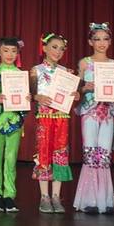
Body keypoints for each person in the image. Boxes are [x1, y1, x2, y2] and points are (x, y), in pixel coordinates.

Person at [73, 22, 114, 214]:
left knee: (104, 154)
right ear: (90, 42)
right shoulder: (85, 63)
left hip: (107, 112)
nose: (101, 43)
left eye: (105, 39)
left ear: (110, 41)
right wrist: (85, 88)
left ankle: (105, 200)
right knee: (91, 152)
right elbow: (76, 89)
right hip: (90, 112)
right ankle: (89, 199)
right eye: (97, 39)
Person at [31, 32, 79, 214]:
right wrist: (37, 97)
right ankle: (44, 196)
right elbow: (31, 94)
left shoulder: (67, 72)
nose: (58, 51)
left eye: (61, 49)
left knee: (60, 155)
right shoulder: (36, 70)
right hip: (44, 118)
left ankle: (56, 196)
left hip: (61, 118)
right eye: (54, 47)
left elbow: (73, 95)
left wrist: (77, 95)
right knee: (43, 154)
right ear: (44, 48)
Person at [0, 37, 27, 213]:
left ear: (18, 53)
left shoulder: (21, 75)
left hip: (14, 121)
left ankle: (9, 194)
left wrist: (26, 100)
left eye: (13, 51)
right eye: (6, 51)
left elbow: (25, 103)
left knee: (11, 159)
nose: (10, 54)